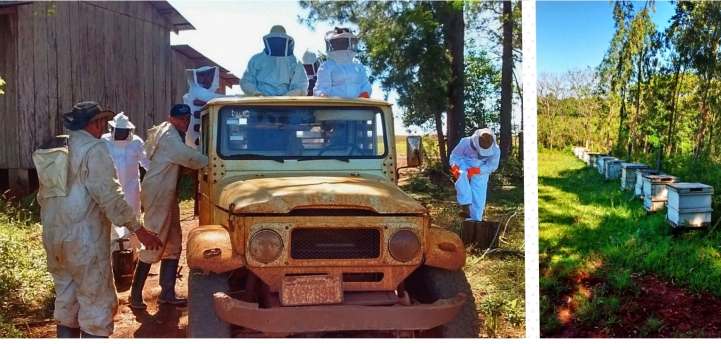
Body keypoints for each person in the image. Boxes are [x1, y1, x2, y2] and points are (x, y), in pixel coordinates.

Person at [37, 101, 162, 338]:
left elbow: (44, 197)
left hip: (54, 238)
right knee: (97, 307)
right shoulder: (94, 149)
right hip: (83, 241)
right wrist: (139, 229)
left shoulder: (55, 148)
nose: (103, 126)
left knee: (67, 305)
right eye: (101, 122)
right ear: (96, 123)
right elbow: (110, 197)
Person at [129, 104, 209, 309]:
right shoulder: (170, 136)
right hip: (158, 192)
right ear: (171, 118)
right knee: (153, 238)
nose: (185, 122)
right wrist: (213, 160)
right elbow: (187, 157)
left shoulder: (170, 132)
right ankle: (135, 295)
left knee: (173, 240)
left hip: (166, 190)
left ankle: (167, 292)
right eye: (181, 118)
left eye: (187, 118)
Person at [101, 112, 150, 262]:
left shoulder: (136, 142)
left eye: (124, 131)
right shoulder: (103, 141)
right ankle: (114, 254)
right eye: (119, 131)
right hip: (110, 188)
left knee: (133, 220)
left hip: (131, 188)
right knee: (110, 219)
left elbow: (146, 163)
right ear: (113, 129)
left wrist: (157, 176)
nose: (122, 134)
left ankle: (134, 255)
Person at [240, 25, 308, 96]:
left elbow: (300, 86)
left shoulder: (294, 62)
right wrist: (256, 93)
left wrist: (286, 98)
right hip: (260, 103)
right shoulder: (256, 60)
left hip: (286, 104)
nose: (277, 44)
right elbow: (246, 81)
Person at [449, 128, 501, 221]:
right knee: (462, 175)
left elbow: (492, 166)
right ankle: (465, 205)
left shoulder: (496, 150)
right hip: (465, 164)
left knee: (479, 197)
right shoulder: (465, 142)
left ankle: (475, 222)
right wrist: (454, 167)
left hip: (481, 170)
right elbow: (455, 156)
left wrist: (476, 170)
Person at [314, 27, 372, 98]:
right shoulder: (327, 66)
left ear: (348, 43)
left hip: (359, 106)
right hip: (336, 107)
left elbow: (365, 84)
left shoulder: (357, 64)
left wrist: (365, 93)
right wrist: (323, 95)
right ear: (332, 44)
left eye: (343, 42)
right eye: (337, 42)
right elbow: (321, 88)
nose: (340, 45)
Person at [183, 66, 230, 150]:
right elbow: (213, 98)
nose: (206, 78)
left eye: (209, 75)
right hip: (194, 136)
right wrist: (240, 97)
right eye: (202, 75)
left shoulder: (204, 92)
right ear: (195, 77)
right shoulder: (196, 89)